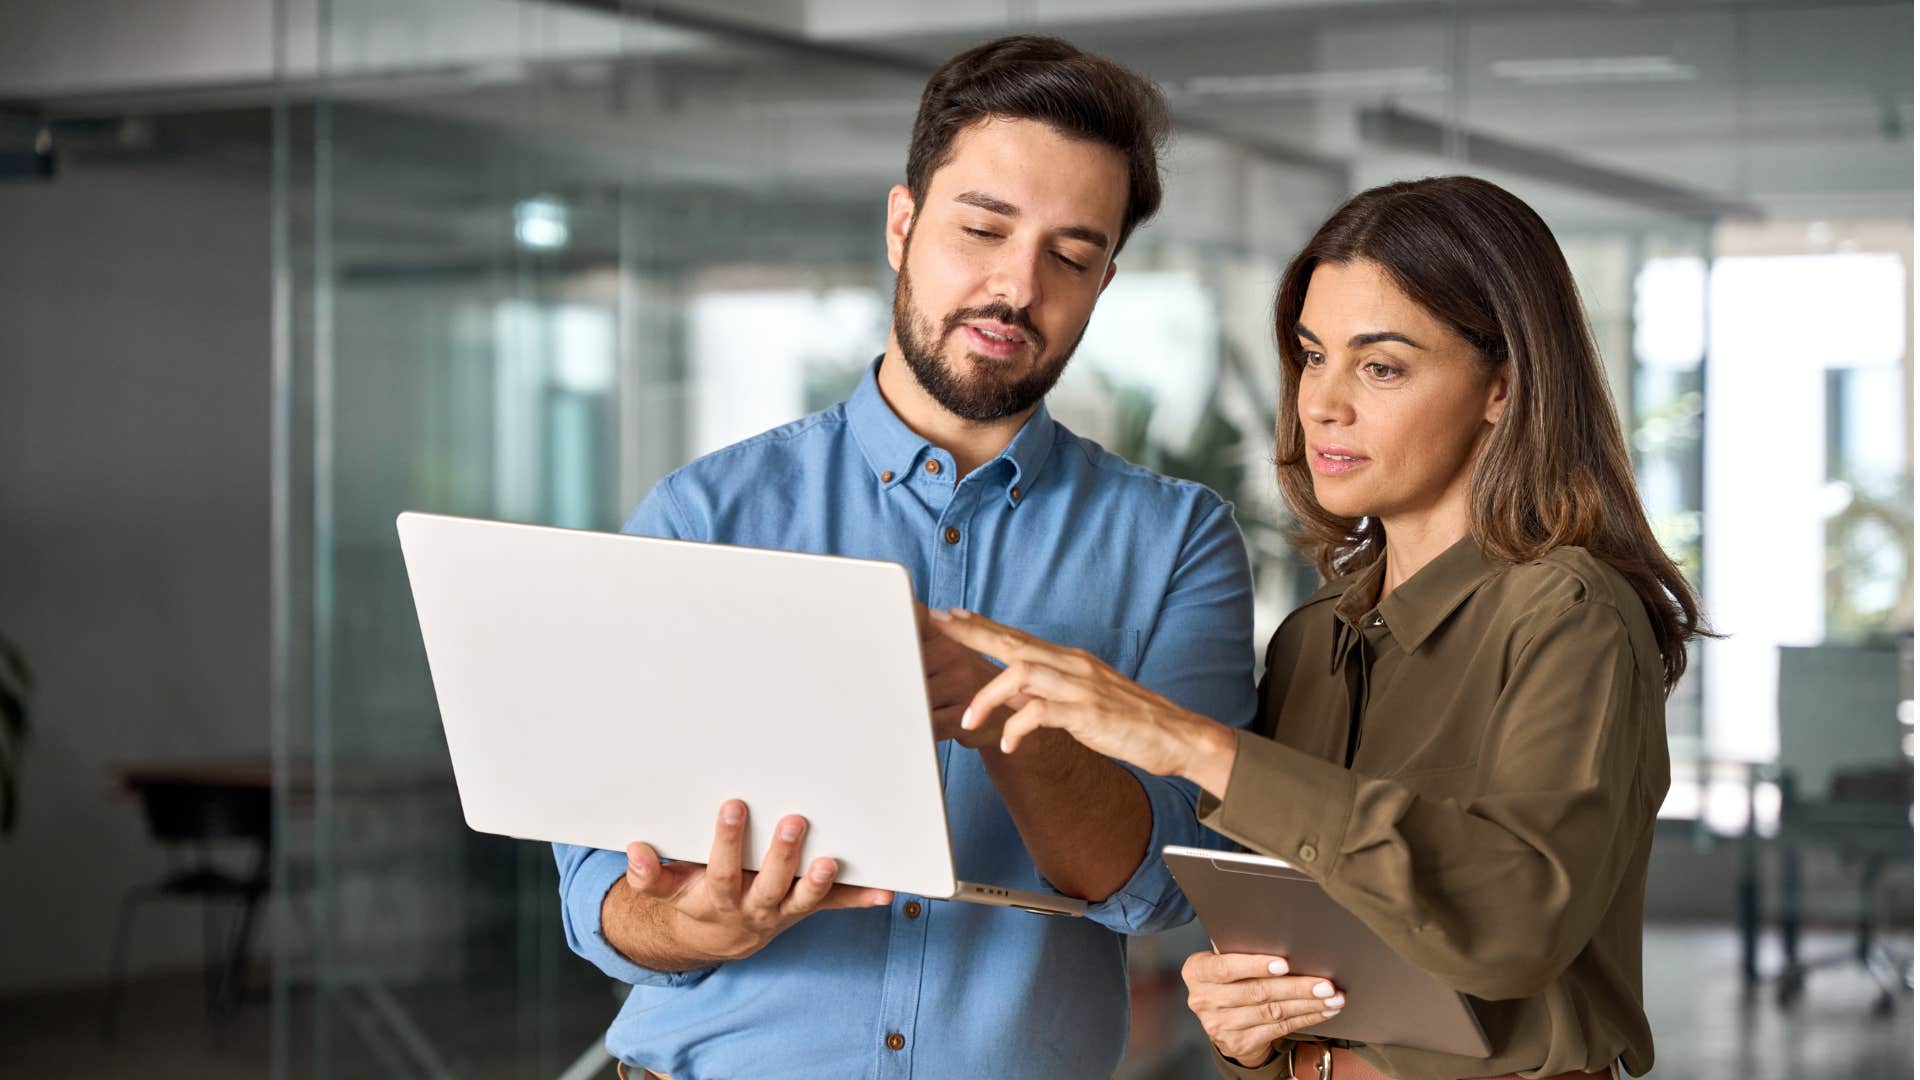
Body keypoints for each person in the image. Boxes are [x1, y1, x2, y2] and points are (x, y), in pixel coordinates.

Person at [552, 36, 1259, 1080]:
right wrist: (693, 926)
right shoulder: (705, 514)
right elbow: (594, 896)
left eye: (1070, 257)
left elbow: (1160, 889)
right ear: (902, 225)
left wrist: (1003, 706)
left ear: (1106, 281)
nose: (1016, 288)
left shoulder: (1177, 542)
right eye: (981, 229)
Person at [934, 175, 1707, 1080]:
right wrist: (1247, 1026)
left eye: (1380, 366)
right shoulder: (1311, 644)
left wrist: (1192, 744)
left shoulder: (1569, 612)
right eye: (1312, 356)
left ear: (1502, 386)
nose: (1323, 403)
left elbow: (1514, 925)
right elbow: (1308, 964)